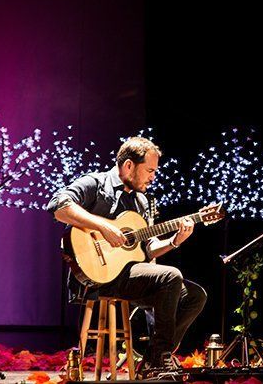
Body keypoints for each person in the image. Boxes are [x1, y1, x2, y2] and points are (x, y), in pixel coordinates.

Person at [47, 136, 206, 373]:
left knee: (195, 294)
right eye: (150, 170)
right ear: (129, 165)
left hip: (130, 277)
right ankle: (159, 357)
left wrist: (174, 241)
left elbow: (148, 249)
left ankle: (153, 356)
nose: (153, 177)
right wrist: (102, 226)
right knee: (171, 276)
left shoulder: (142, 201)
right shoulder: (95, 184)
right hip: (97, 276)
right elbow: (57, 206)